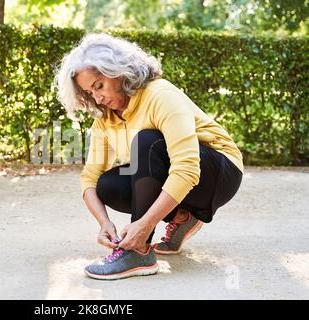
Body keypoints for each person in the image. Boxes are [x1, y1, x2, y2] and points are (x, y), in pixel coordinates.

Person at [55, 33, 243, 280]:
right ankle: (182, 216)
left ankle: (138, 251)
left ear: (118, 72)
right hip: (185, 180)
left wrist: (142, 227)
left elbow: (186, 168)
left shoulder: (159, 94)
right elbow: (90, 177)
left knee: (146, 142)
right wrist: (104, 223)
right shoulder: (105, 119)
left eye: (99, 85)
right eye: (90, 93)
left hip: (220, 172)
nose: (97, 98)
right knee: (108, 185)